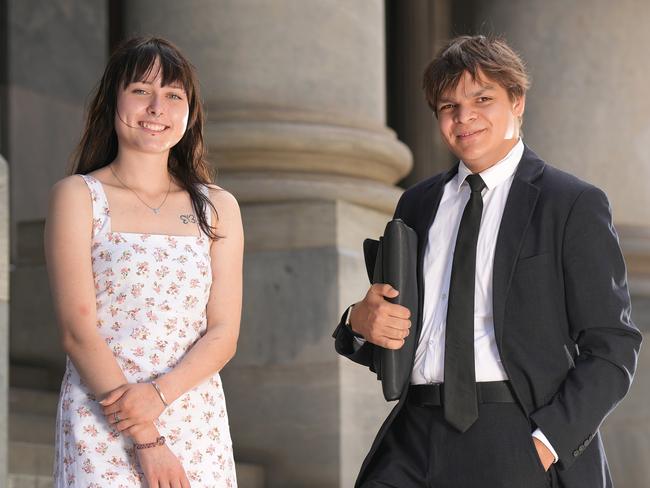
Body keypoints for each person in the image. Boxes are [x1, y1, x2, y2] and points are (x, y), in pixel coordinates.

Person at [333, 35, 641, 488]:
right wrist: (359, 324)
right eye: (448, 106)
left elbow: (613, 346)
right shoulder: (417, 204)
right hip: (413, 434)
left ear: (517, 101)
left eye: (482, 98)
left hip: (514, 434)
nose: (464, 117)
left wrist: (546, 443)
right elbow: (405, 332)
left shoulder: (571, 203)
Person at [45, 36, 243, 487]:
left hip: (194, 417)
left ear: (189, 113)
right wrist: (147, 438)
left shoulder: (217, 207)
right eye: (140, 90)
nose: (158, 107)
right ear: (112, 101)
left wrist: (158, 396)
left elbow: (223, 334)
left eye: (174, 95)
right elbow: (78, 333)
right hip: (103, 417)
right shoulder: (78, 197)